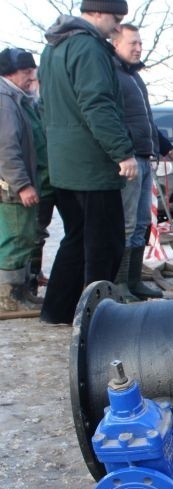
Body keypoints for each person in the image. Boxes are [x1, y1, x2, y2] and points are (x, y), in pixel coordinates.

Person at [38, 0, 138, 324]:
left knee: (76, 239)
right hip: (92, 166)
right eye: (115, 18)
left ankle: (57, 310)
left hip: (65, 165)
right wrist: (122, 152)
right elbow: (97, 104)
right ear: (96, 13)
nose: (118, 26)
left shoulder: (54, 48)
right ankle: (99, 317)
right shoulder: (89, 48)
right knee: (104, 243)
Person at [111, 22, 173, 301]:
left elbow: (145, 122)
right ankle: (119, 284)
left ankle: (133, 281)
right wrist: (123, 153)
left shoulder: (133, 77)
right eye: (132, 43)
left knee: (143, 222)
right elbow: (111, 119)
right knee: (129, 223)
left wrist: (167, 149)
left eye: (140, 43)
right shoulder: (113, 75)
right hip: (128, 160)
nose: (138, 48)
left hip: (145, 158)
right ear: (115, 43)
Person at [0, 48, 47, 315]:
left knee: (24, 237)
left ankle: (21, 293)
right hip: (11, 189)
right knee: (16, 239)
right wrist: (22, 185)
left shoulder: (17, 98)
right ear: (9, 73)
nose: (32, 76)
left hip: (16, 185)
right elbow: (6, 148)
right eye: (26, 71)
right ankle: (8, 297)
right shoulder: (5, 100)